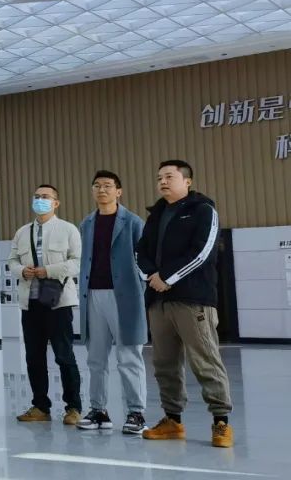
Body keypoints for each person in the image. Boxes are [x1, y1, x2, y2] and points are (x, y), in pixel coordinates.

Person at [136, 160, 233, 448]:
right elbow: (140, 251)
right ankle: (173, 421)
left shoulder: (203, 210)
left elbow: (202, 251)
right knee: (164, 364)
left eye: (169, 176)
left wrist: (167, 277)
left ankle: (221, 422)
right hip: (158, 301)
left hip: (193, 300)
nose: (162, 182)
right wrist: (151, 276)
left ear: (187, 181)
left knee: (205, 360)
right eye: (159, 178)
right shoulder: (156, 215)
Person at [77, 171, 148, 434]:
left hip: (124, 296)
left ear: (119, 191)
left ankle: (136, 413)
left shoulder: (133, 222)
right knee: (95, 358)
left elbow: (144, 260)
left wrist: (138, 291)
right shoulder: (87, 224)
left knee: (129, 357)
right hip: (93, 295)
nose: (102, 190)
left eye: (108, 186)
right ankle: (98, 410)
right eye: (97, 186)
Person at [7, 184, 83, 425]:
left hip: (58, 302)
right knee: (34, 357)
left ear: (56, 203)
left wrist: (48, 270)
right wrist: (22, 270)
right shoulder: (22, 232)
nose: (40, 200)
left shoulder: (68, 229)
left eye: (46, 197)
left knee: (64, 355)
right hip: (30, 303)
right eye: (37, 197)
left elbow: (77, 263)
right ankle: (40, 406)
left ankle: (73, 407)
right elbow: (12, 261)